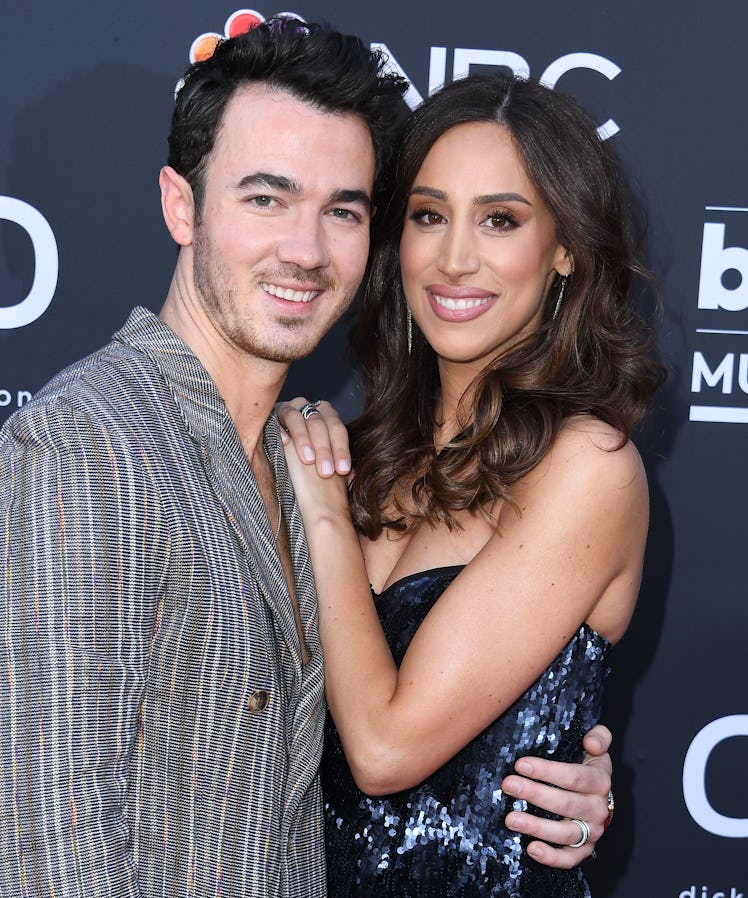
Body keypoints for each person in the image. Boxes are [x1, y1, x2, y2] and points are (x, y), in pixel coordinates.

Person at [0, 21, 613, 898]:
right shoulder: (83, 446)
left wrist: (551, 749)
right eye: (265, 199)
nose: (305, 249)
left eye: (343, 211)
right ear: (183, 205)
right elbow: (46, 854)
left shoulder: (314, 462)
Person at [279, 72, 664, 897]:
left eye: (500, 219)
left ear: (564, 248)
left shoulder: (586, 467)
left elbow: (382, 751)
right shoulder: (359, 455)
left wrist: (323, 522)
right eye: (428, 215)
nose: (455, 257)